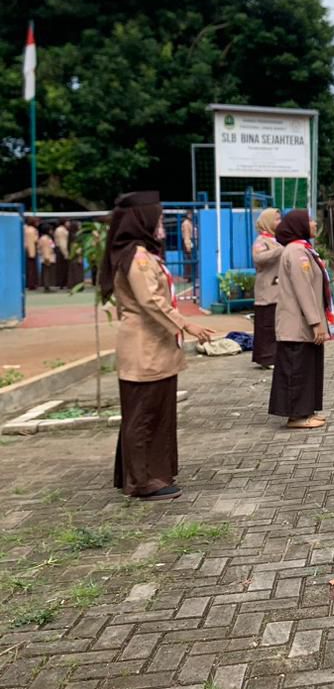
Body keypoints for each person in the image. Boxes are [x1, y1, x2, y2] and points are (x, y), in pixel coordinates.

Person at [101, 191, 214, 500]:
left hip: (155, 343)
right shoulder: (136, 257)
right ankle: (142, 481)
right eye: (159, 217)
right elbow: (151, 300)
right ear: (143, 219)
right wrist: (186, 323)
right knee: (144, 413)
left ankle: (152, 474)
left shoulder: (141, 253)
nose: (162, 224)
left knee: (155, 410)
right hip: (144, 345)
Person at [270, 210, 330, 429]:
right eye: (311, 221)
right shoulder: (296, 252)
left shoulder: (303, 249)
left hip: (304, 320)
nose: (314, 224)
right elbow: (303, 289)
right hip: (298, 323)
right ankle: (297, 416)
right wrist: (316, 323)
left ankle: (307, 411)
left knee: (307, 366)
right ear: (299, 226)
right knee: (297, 367)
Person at [252, 208, 282, 369]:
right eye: (276, 219)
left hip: (277, 289)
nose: (279, 222)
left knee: (274, 324)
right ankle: (266, 358)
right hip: (266, 291)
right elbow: (259, 258)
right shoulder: (261, 241)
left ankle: (273, 356)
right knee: (266, 326)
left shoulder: (276, 239)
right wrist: (279, 251)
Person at [37, 224, 57, 292]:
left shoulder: (48, 238)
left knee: (48, 272)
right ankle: (46, 286)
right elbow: (45, 249)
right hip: (47, 258)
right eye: (51, 229)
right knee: (47, 273)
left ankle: (48, 286)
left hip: (50, 257)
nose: (52, 231)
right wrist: (47, 258)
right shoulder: (44, 239)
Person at [53, 219, 70, 289]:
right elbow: (62, 243)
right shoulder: (61, 230)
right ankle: (62, 283)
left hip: (61, 249)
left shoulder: (61, 230)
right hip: (61, 250)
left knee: (62, 267)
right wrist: (65, 253)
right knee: (62, 268)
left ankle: (62, 283)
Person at [24, 216, 38, 291]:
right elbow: (31, 242)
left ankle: (30, 283)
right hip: (31, 251)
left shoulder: (26, 229)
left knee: (30, 268)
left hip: (27, 250)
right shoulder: (32, 230)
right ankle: (32, 284)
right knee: (31, 268)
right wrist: (32, 253)